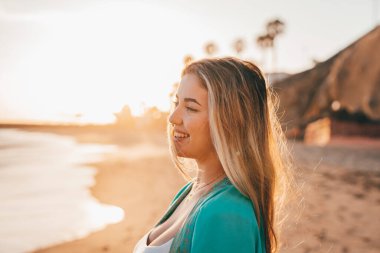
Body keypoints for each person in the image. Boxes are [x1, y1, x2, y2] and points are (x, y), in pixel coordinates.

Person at [133, 57, 293, 253]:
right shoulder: (189, 192)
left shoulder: (227, 214)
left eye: (191, 108)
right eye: (176, 103)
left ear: (230, 123)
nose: (173, 118)